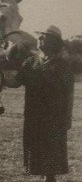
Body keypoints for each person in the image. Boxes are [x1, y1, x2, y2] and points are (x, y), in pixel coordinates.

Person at [8, 25, 75, 182]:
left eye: (44, 36)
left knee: (51, 156)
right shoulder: (30, 62)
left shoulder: (62, 66)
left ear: (53, 42)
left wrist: (68, 118)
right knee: (37, 152)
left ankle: (49, 179)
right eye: (39, 36)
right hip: (34, 116)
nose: (39, 38)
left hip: (54, 118)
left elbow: (70, 93)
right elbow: (15, 82)